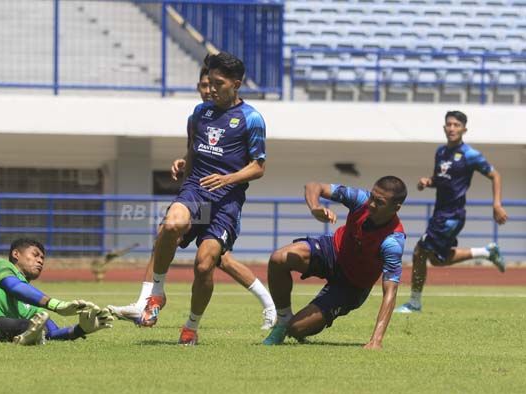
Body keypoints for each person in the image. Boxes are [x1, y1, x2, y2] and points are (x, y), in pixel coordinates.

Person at [108, 60, 276, 330]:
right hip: (196, 191)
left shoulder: (252, 119)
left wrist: (227, 178)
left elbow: (259, 166)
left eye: (218, 84)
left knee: (205, 264)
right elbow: (193, 150)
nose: (211, 90)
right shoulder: (199, 114)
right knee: (169, 226)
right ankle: (155, 295)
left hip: (225, 202)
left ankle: (191, 326)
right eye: (207, 83)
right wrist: (185, 162)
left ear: (236, 84)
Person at [264, 177, 407, 350]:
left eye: (379, 202)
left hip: (352, 285)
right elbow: (313, 185)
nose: (371, 204)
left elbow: (390, 291)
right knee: (279, 258)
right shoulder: (360, 199)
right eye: (372, 197)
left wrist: (376, 340)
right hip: (333, 251)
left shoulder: (392, 241)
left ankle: (297, 322)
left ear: (396, 208)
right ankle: (283, 318)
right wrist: (315, 207)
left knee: (296, 329)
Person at [395, 111, 507, 314]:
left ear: (464, 129)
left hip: (452, 215)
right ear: (444, 128)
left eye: (456, 124)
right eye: (449, 124)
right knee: (438, 259)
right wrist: (428, 182)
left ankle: (414, 303)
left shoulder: (470, 155)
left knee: (420, 251)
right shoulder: (440, 152)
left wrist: (497, 204)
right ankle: (487, 252)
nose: (452, 128)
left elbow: (495, 175)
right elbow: (441, 178)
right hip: (440, 213)